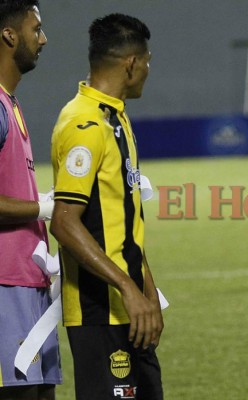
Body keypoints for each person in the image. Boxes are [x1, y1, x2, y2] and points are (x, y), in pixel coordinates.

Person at [49, 13, 163, 400]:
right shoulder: (85, 124)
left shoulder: (115, 117)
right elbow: (64, 223)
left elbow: (126, 223)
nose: (148, 69)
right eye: (147, 60)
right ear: (132, 63)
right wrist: (129, 289)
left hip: (131, 308)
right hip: (100, 313)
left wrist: (148, 293)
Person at [0, 1, 62, 399]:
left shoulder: (10, 102)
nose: (43, 38)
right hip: (5, 288)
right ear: (8, 35)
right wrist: (45, 208)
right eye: (35, 29)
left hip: (32, 283)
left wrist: (42, 200)